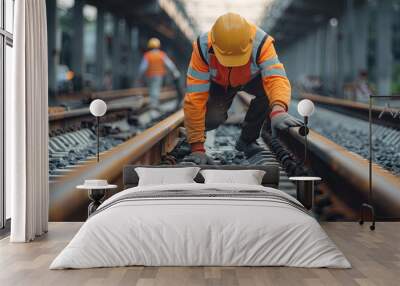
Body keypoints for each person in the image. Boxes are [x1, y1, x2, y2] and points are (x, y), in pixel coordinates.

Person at [183, 13, 302, 164]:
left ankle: (247, 141)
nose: (232, 63)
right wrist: (197, 148)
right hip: (218, 83)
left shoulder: (261, 42)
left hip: (250, 79)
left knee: (268, 92)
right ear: (213, 43)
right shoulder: (202, 47)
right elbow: (195, 97)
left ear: (249, 41)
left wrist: (278, 109)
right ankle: (192, 135)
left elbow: (276, 78)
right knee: (213, 119)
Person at [137, 37, 181, 109]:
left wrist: (140, 76)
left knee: (151, 89)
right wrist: (174, 71)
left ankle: (153, 104)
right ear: (158, 46)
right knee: (155, 89)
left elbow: (142, 67)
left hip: (149, 75)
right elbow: (169, 64)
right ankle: (154, 104)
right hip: (158, 75)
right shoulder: (161, 54)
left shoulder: (147, 55)